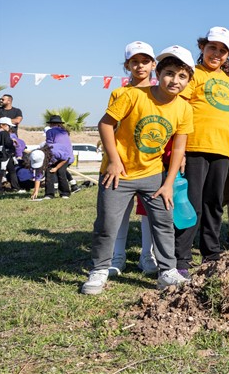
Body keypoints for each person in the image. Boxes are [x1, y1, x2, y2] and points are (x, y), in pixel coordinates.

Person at [81, 45, 195, 295]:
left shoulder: (184, 108)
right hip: (118, 173)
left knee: (164, 221)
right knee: (107, 223)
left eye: (182, 76)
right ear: (159, 72)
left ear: (189, 80)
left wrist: (168, 183)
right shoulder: (133, 95)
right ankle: (100, 269)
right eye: (169, 73)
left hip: (153, 174)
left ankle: (167, 271)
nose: (174, 80)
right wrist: (113, 160)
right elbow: (105, 124)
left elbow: (178, 149)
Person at [175, 27, 229, 276]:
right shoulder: (193, 75)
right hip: (195, 146)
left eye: (222, 50)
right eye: (212, 47)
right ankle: (181, 258)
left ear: (228, 55)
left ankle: (211, 253)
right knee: (191, 205)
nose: (217, 53)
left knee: (215, 203)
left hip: (222, 149)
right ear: (202, 48)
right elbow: (181, 109)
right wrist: (179, 150)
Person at [108, 41, 160, 276]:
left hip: (150, 165)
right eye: (134, 62)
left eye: (145, 61)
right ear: (127, 65)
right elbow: (110, 127)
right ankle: (117, 256)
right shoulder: (119, 93)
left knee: (149, 213)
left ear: (153, 64)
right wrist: (113, 159)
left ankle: (146, 256)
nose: (140, 66)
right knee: (120, 212)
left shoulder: (160, 93)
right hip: (122, 163)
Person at [43, 115, 74, 199]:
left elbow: (49, 144)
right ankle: (65, 193)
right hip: (67, 156)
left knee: (49, 172)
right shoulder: (65, 132)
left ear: (51, 124)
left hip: (56, 154)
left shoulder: (49, 131)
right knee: (61, 172)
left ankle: (49, 194)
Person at [0, 118, 19, 193]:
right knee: (1, 171)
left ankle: (15, 187)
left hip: (0, 155)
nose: (9, 127)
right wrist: (12, 143)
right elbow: (7, 143)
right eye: (8, 126)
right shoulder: (4, 133)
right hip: (5, 155)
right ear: (2, 125)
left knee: (11, 169)